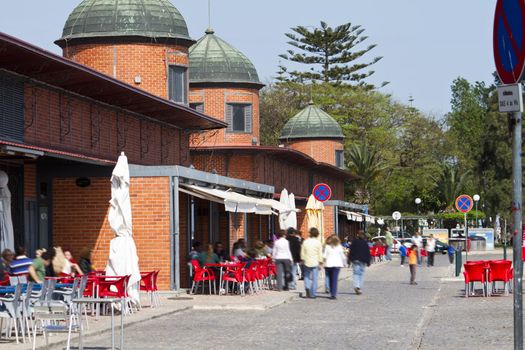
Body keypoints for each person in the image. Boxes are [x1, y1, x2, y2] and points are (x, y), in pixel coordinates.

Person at [300, 228, 323, 298]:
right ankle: (313, 293)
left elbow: (302, 252)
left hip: (307, 261)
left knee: (306, 276)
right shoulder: (318, 243)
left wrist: (303, 259)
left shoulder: (305, 242)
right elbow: (320, 253)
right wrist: (321, 262)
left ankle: (307, 288)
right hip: (315, 262)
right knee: (315, 278)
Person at [348, 230, 371, 295]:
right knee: (361, 274)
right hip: (363, 260)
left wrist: (349, 260)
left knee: (356, 273)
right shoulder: (365, 243)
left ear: (357, 235)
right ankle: (359, 287)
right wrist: (368, 261)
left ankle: (357, 286)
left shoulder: (354, 242)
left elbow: (351, 251)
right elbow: (367, 252)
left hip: (355, 260)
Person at [324, 235, 346, 300]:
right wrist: (345, 263)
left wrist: (323, 263)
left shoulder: (327, 247)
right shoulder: (339, 247)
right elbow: (343, 256)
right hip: (337, 265)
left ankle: (331, 292)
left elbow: (324, 256)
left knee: (330, 279)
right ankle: (334, 293)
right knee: (335, 279)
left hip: (329, 265)